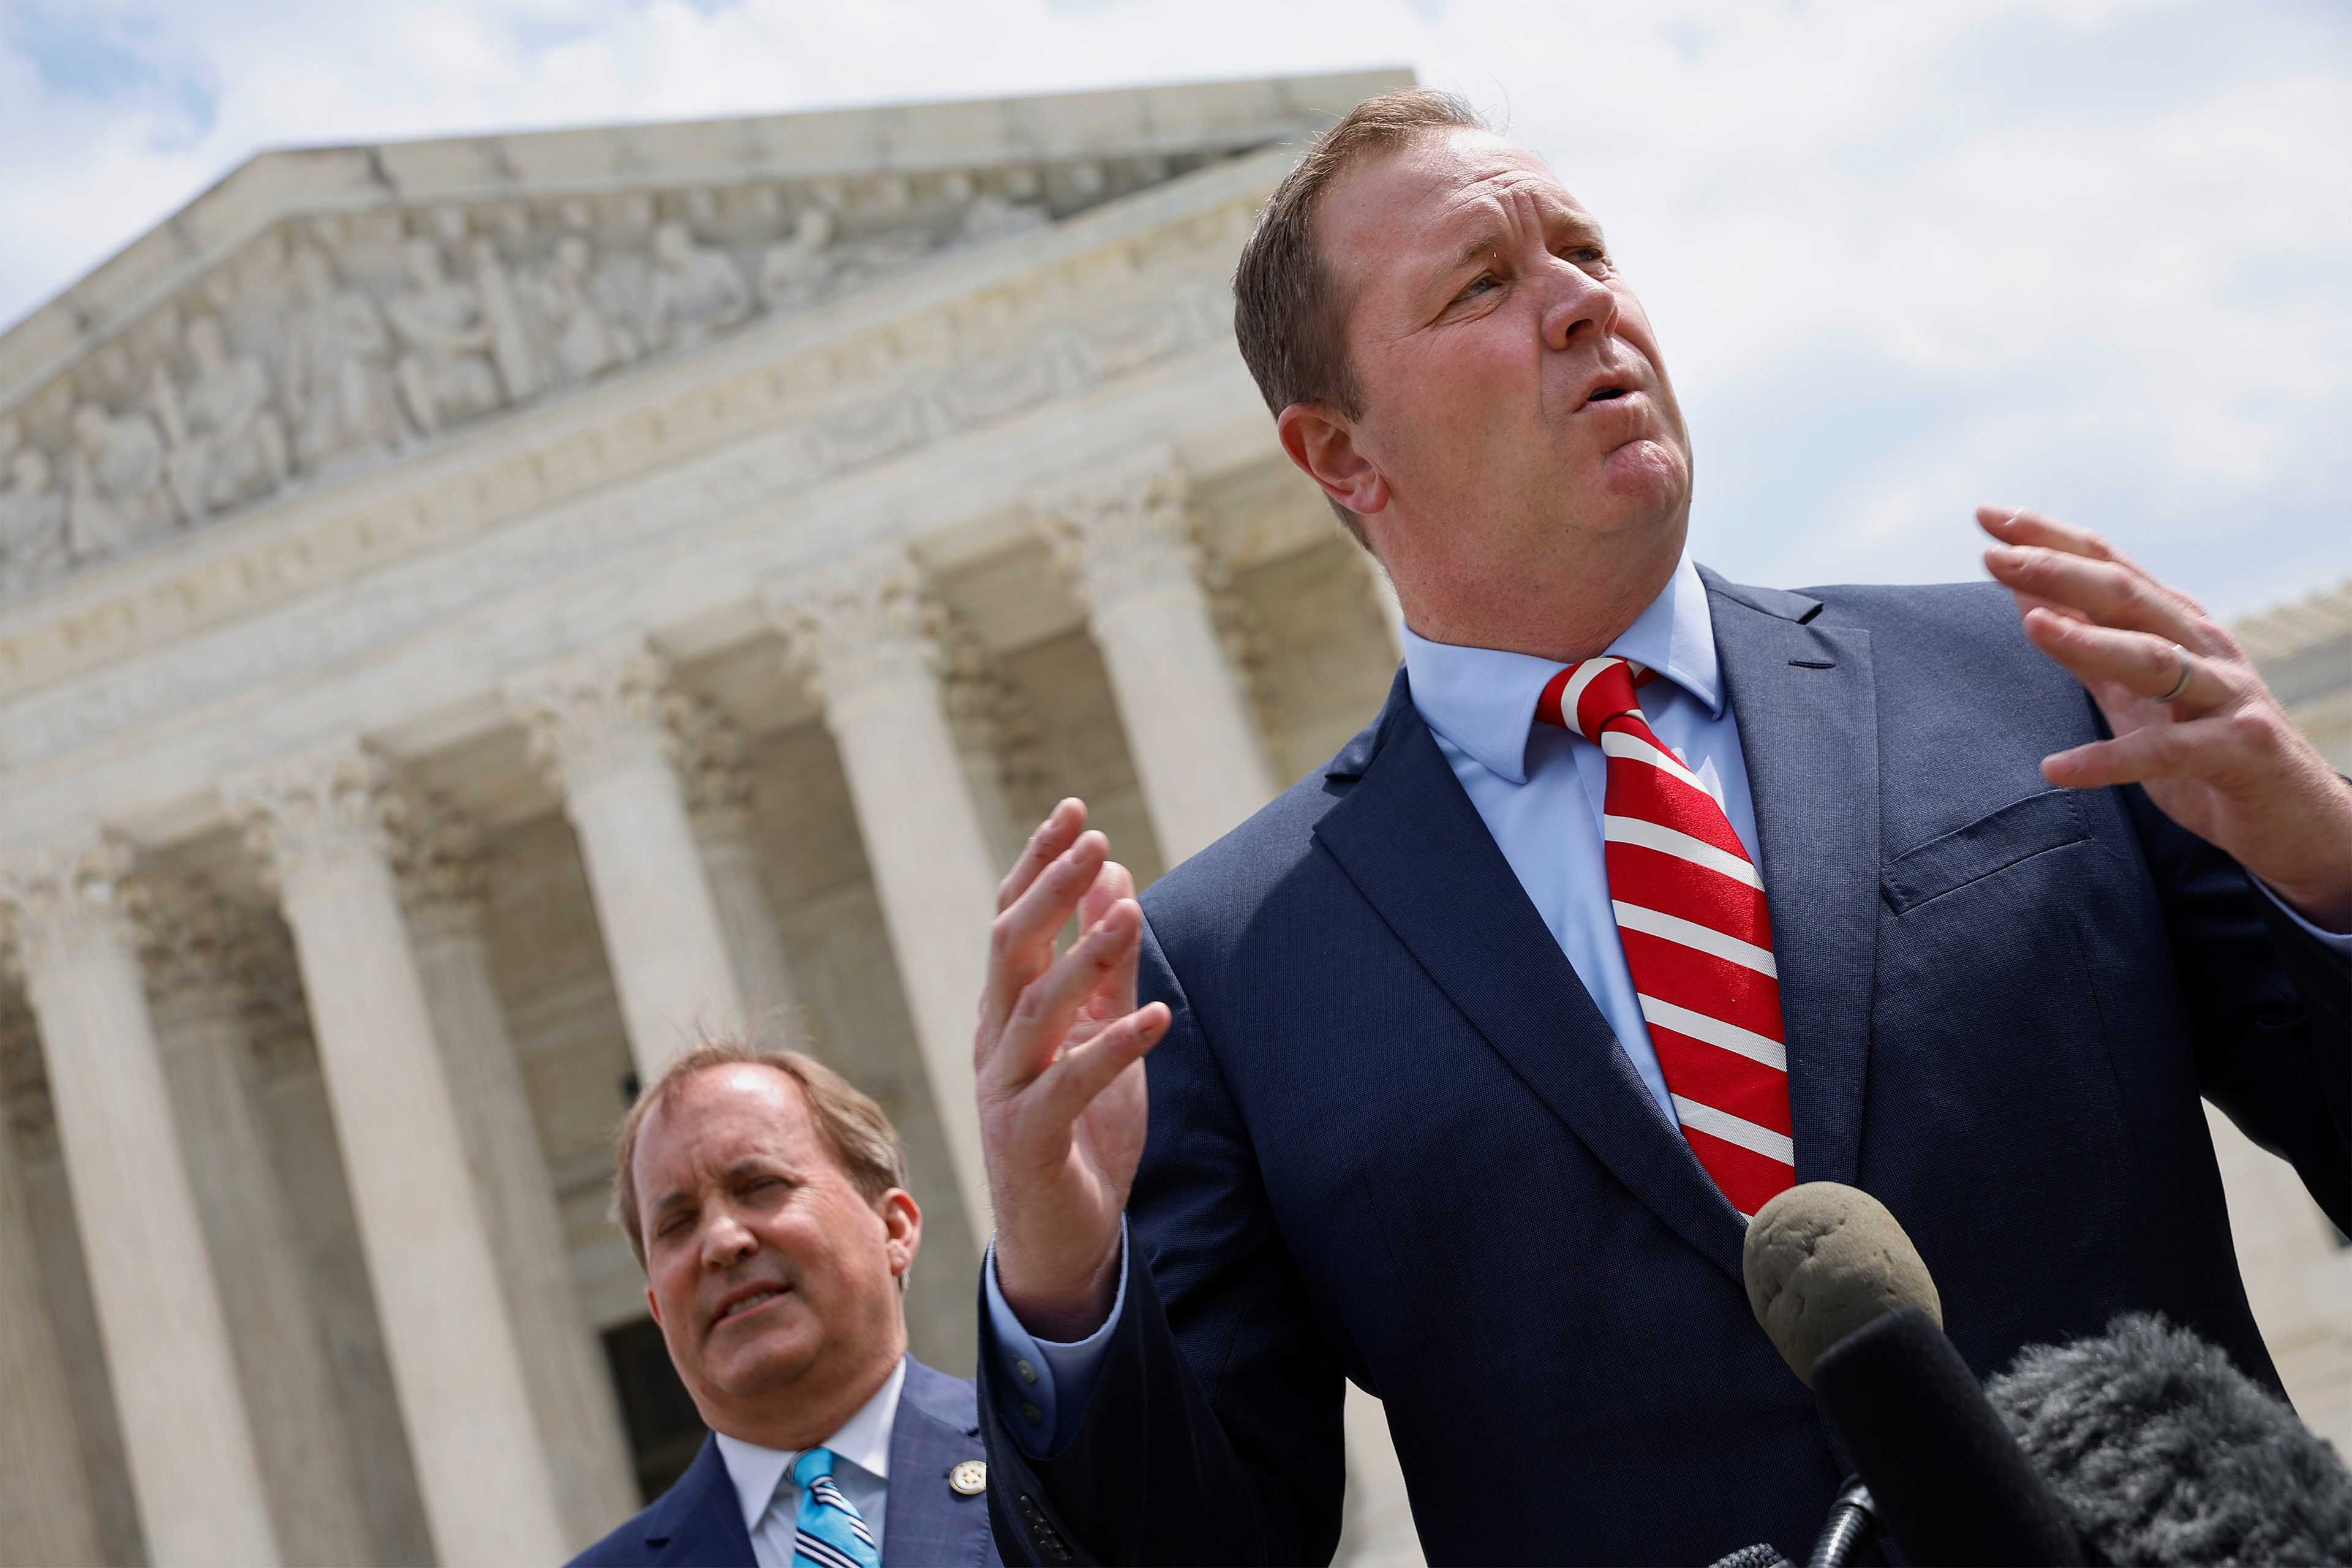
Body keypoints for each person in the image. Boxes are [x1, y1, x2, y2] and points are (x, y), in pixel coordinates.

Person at [969, 89, 2351, 1566]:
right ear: (1339, 455)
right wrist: (1066, 1287)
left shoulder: (2023, 678)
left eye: (1583, 248)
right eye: (1483, 284)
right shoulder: (1233, 970)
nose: (1576, 301)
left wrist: (2325, 865)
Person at [572, 1041, 999, 1568]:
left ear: (892, 1229)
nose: (722, 1241)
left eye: (760, 1185)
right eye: (677, 1224)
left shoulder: (1064, 1468)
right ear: (659, 1309)